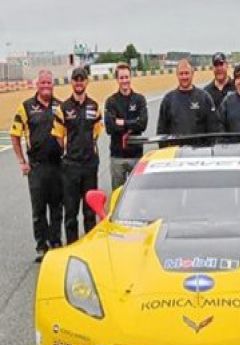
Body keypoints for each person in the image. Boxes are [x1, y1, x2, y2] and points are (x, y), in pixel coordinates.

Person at [9, 69, 63, 261]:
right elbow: (14, 135)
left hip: (58, 165)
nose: (46, 86)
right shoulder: (26, 107)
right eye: (43, 82)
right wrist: (21, 161)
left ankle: (56, 243)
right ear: (37, 84)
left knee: (57, 208)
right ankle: (42, 246)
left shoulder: (60, 106)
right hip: (37, 167)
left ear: (53, 84)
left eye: (49, 82)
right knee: (39, 210)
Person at [52, 67, 103, 244]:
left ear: (87, 82)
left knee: (90, 212)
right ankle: (72, 247)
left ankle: (90, 247)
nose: (79, 83)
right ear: (72, 82)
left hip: (89, 166)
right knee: (71, 213)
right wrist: (71, 150)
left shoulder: (94, 106)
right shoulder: (63, 108)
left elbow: (96, 133)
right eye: (76, 79)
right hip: (71, 167)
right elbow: (59, 137)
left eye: (82, 79)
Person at [104, 62, 148, 190]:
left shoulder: (139, 99)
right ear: (117, 79)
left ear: (130, 77)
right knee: (118, 194)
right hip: (117, 156)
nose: (124, 81)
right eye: (121, 78)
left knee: (137, 193)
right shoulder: (111, 101)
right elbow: (110, 128)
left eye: (127, 77)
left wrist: (122, 122)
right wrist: (133, 123)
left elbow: (142, 124)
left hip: (136, 155)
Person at [157, 59, 222, 137]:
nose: (184, 77)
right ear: (177, 75)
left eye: (187, 73)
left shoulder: (204, 98)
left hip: (199, 144)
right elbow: (161, 131)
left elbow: (213, 128)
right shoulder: (168, 100)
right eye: (181, 74)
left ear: (192, 73)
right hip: (176, 144)